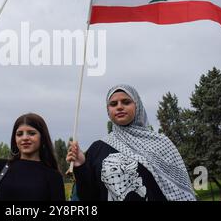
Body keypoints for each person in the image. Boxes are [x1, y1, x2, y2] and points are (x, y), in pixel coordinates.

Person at [67, 84, 196, 201]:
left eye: (126, 102)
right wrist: (80, 165)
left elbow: (178, 191)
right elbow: (88, 197)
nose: (119, 107)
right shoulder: (97, 149)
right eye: (113, 104)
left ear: (137, 105)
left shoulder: (161, 143)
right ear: (108, 110)